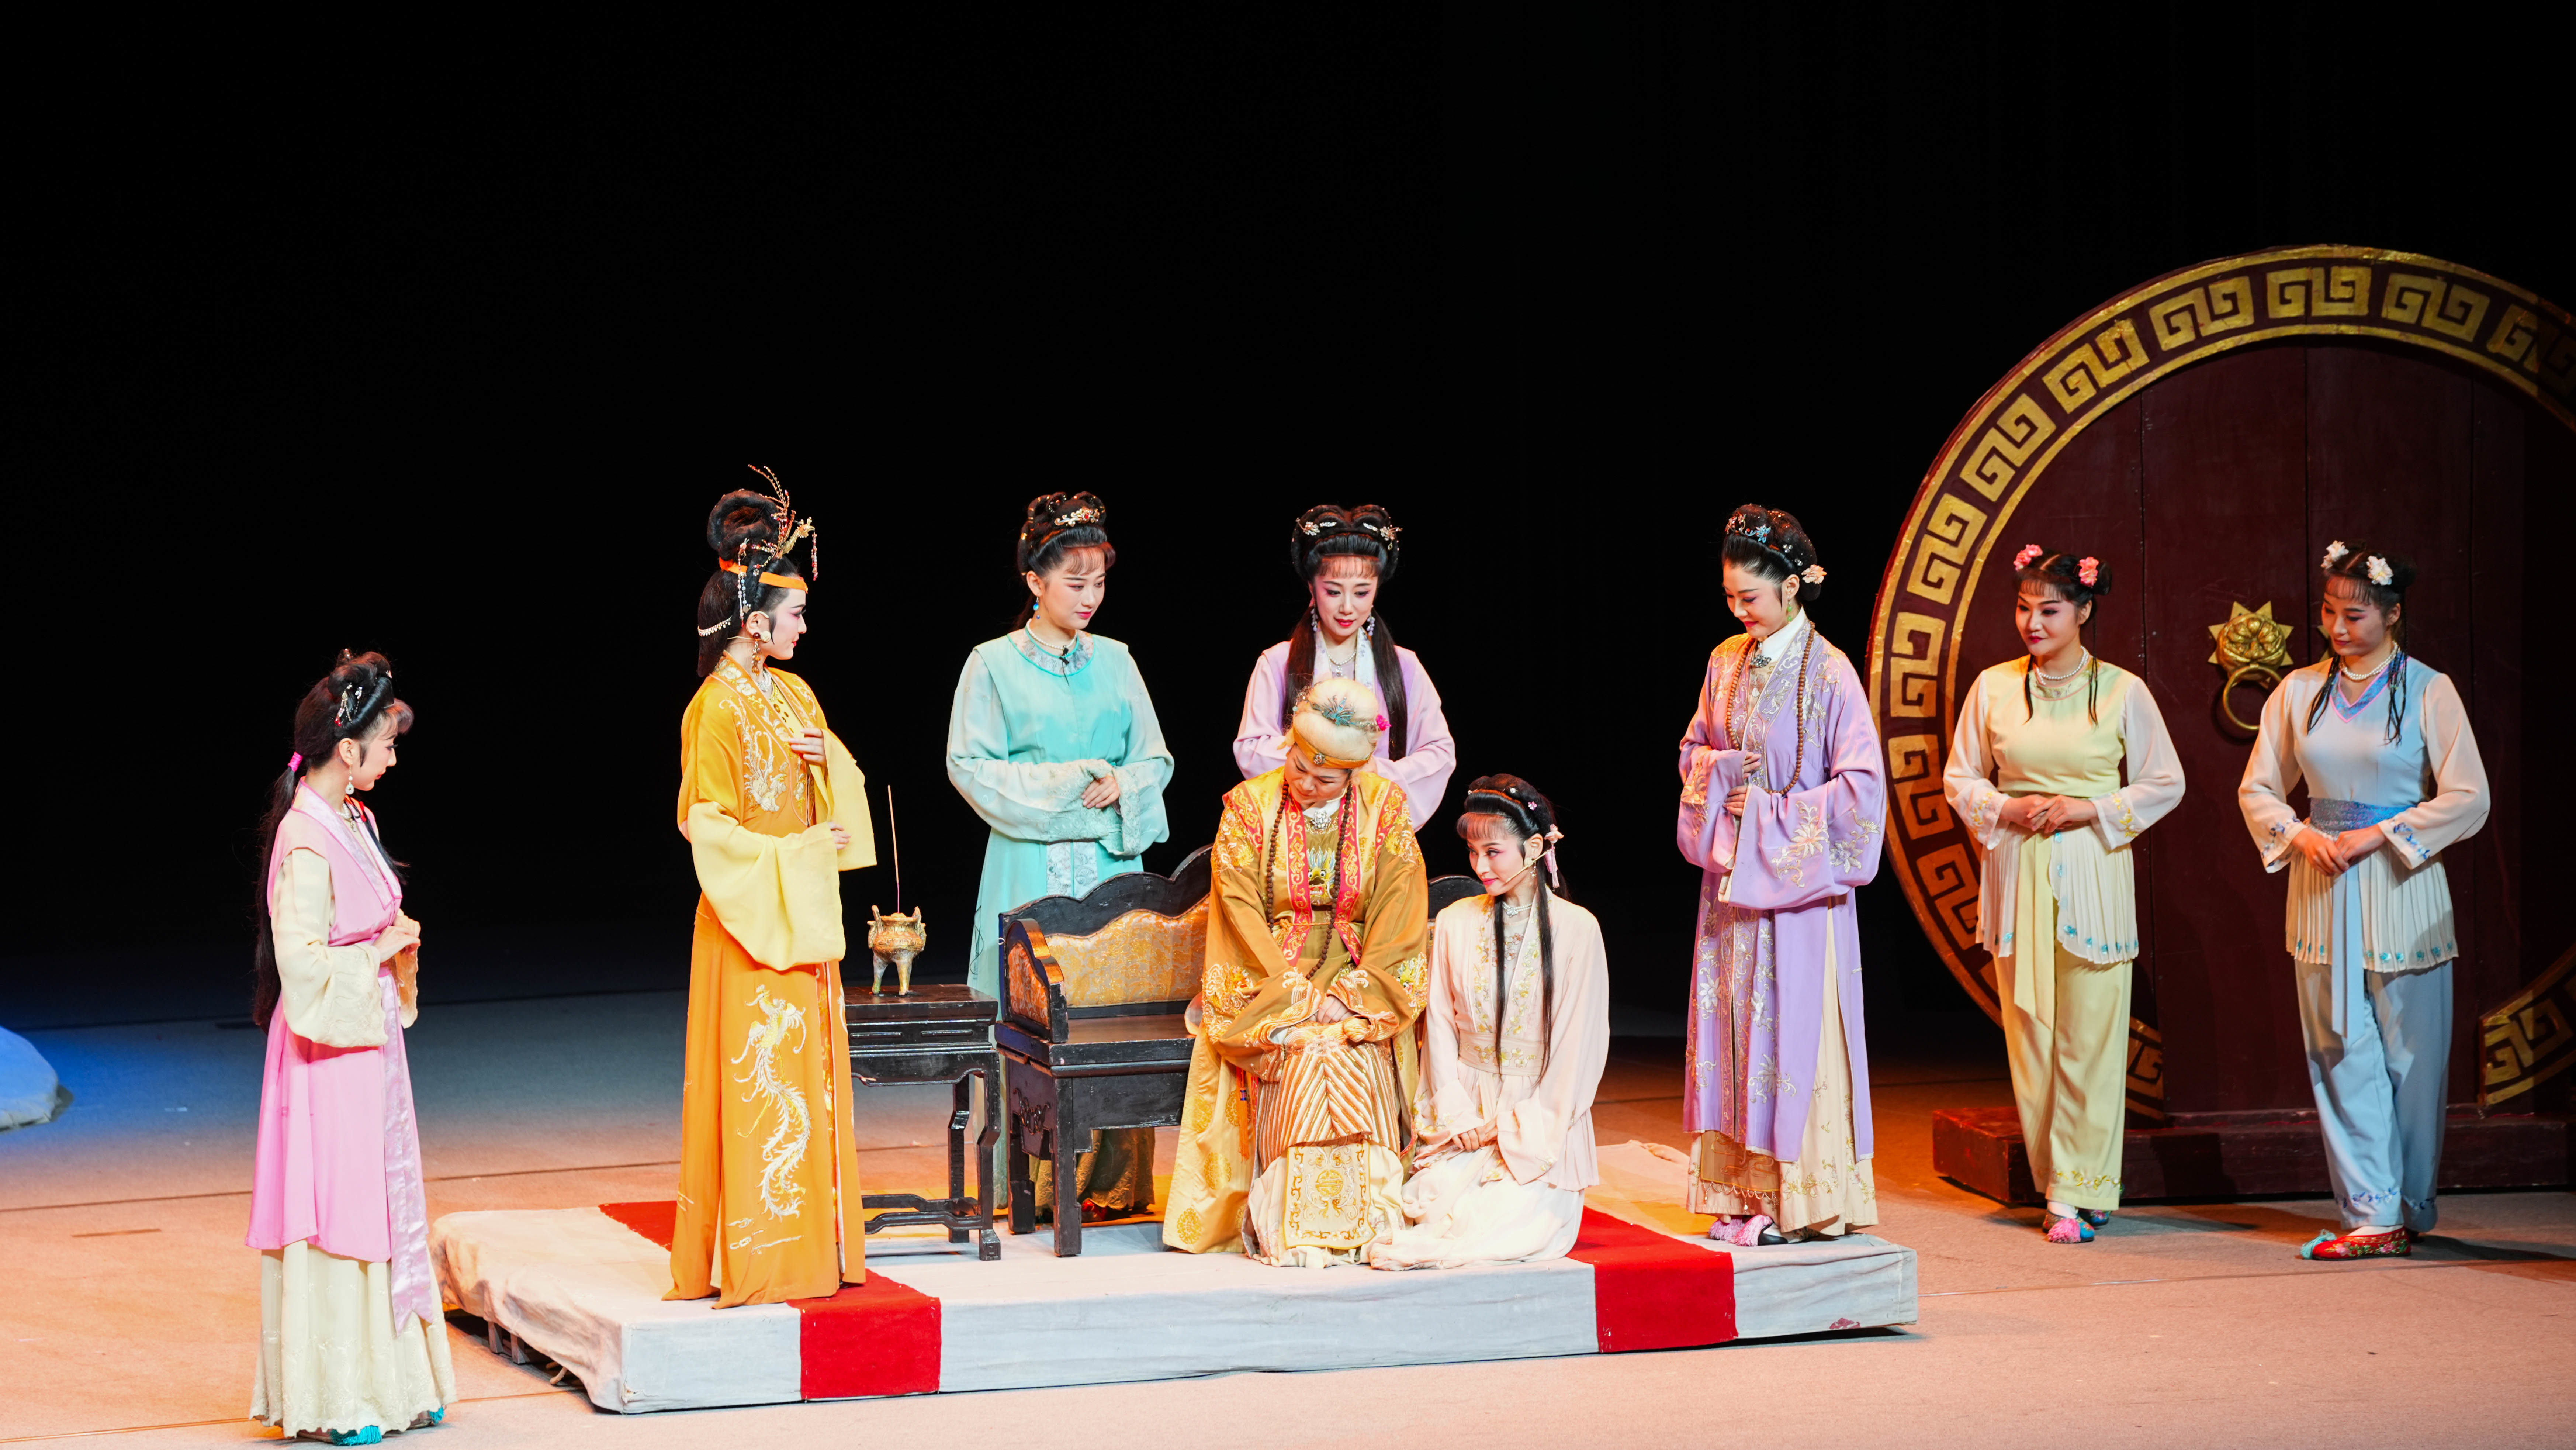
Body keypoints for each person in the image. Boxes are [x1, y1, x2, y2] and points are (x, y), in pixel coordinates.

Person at [2240, 542, 2489, 1260]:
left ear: (2392, 614)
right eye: (2328, 613)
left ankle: (2407, 1202)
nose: (2337, 628)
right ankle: (2371, 1211)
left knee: (2414, 1059)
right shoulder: (2298, 692)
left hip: (2402, 884)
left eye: (2354, 616)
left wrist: (2381, 833)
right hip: (2323, 883)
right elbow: (2257, 787)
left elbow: (2468, 798)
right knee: (2337, 1045)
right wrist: (2298, 834)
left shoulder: (2429, 691)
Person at [670, 471, 878, 1307]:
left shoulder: (794, 693)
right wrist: (797, 852)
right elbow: (705, 826)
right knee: (760, 1084)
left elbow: (839, 791)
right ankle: (758, 1260)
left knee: (809, 1081)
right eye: (793, 614)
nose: (803, 626)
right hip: (748, 921)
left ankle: (815, 1251)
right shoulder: (712, 710)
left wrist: (832, 770)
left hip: (802, 918)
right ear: (753, 622)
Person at [1943, 546, 2184, 1243]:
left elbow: (2163, 782)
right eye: (2023, 609)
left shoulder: (2121, 690)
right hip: (2017, 866)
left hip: (2091, 867)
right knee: (2031, 1034)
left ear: (2082, 611)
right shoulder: (1992, 687)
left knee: (2091, 1035)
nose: (2032, 623)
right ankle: (2062, 1182)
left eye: (2048, 610)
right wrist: (2006, 808)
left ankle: (2078, 1188)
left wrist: (2088, 809)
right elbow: (1960, 778)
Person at [245, 649, 453, 1443]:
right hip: (326, 1052)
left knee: (385, 1202)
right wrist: (375, 954)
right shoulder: (306, 837)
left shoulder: (354, 819)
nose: (393, 758)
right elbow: (301, 966)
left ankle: (398, 1383)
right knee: (340, 1212)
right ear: (346, 748)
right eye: (386, 744)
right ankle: (342, 1400)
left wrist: (391, 946)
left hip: (366, 1045)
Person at [947, 491, 1173, 1219]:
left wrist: (1126, 783)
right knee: (1032, 1011)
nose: (1089, 597)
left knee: (1111, 1008)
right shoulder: (991, 665)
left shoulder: (1119, 661)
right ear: (1034, 581)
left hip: (1108, 869)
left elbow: (1155, 759)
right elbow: (969, 766)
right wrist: (1075, 788)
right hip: (1028, 864)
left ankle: (1113, 1184)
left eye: (1098, 582)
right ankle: (1030, 1187)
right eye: (1074, 583)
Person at [1675, 504, 1887, 1245]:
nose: (1739, 611)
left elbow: (1862, 793)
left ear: (1792, 586)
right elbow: (1692, 751)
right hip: (1732, 886)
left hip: (1799, 894)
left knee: (1788, 1035)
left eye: (1751, 597)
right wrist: (1720, 772)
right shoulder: (1724, 661)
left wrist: (1771, 812)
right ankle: (1737, 1193)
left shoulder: (1830, 672)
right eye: (1730, 597)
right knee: (1731, 1032)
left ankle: (1796, 1200)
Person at [1164, 676, 1429, 1266]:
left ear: (1354, 774)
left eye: (1325, 779)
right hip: (1268, 973)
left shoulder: (1385, 808)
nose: (1306, 785)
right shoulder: (1248, 806)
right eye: (1299, 767)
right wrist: (1292, 994)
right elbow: (1238, 909)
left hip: (1358, 968)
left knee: (1353, 1044)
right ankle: (1290, 1224)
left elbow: (1401, 911)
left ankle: (1369, 1220)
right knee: (1300, 1049)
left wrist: (1355, 993)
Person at [1372, 776, 1607, 1271]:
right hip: (1464, 1107)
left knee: (1501, 1222)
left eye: (1493, 852)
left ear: (1534, 848)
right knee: (1426, 1207)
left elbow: (1577, 1050)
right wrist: (1458, 1116)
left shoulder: (1577, 929)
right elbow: (1439, 1027)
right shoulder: (1455, 921)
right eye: (1473, 852)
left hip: (1536, 1124)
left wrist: (1504, 1128)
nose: (1480, 866)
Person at [1233, 504, 1455, 826]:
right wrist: (1320, 767)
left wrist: (1374, 771)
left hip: (1374, 828)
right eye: (1333, 592)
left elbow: (1439, 754)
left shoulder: (1405, 667)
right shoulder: (1278, 662)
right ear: (1312, 587)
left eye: (1362, 593)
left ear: (1377, 590)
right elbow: (1251, 748)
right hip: (1293, 829)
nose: (1348, 608)